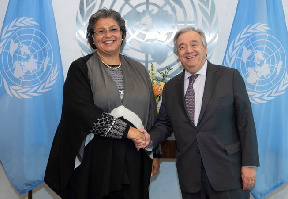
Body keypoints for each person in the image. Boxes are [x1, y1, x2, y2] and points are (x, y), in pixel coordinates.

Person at [44, 8, 160, 199]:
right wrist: (129, 132)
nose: (108, 35)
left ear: (122, 34)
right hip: (94, 160)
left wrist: (154, 152)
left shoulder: (139, 69)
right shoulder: (81, 68)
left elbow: (150, 112)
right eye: (101, 31)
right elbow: (83, 112)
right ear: (92, 37)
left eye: (113, 29)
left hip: (134, 158)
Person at [136, 27, 259, 199]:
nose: (189, 51)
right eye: (182, 47)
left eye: (194, 44)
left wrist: (249, 164)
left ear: (205, 48)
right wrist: (150, 139)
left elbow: (245, 122)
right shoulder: (171, 87)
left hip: (227, 172)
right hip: (191, 176)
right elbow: (165, 124)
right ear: (177, 54)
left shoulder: (229, 77)